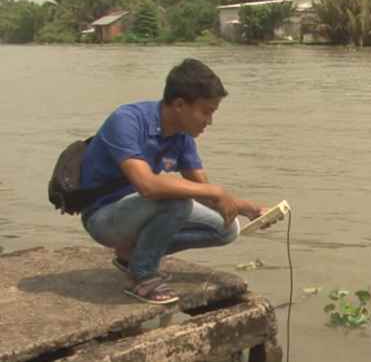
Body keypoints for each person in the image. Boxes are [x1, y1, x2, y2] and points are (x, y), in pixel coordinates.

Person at [80, 58, 264, 305]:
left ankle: (131, 256)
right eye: (206, 111)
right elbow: (147, 185)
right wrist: (216, 192)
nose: (209, 121)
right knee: (176, 203)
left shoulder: (182, 136)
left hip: (138, 210)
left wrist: (245, 208)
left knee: (226, 228)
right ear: (179, 105)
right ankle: (142, 276)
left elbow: (204, 191)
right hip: (103, 217)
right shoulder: (127, 120)